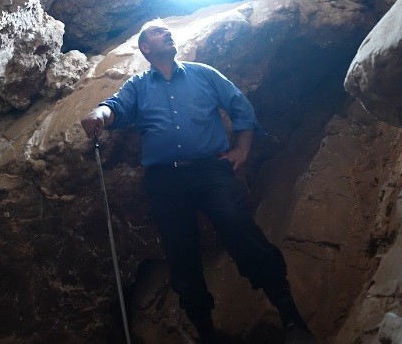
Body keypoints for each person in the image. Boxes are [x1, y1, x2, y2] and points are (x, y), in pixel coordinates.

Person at [79, 19, 316, 344]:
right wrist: (97, 116)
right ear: (145, 47)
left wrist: (242, 149)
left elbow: (239, 106)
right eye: (159, 32)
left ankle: (291, 318)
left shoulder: (203, 73)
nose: (167, 33)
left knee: (239, 228)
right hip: (165, 181)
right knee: (181, 253)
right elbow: (115, 108)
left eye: (167, 30)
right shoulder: (138, 86)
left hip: (210, 170)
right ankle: (207, 334)